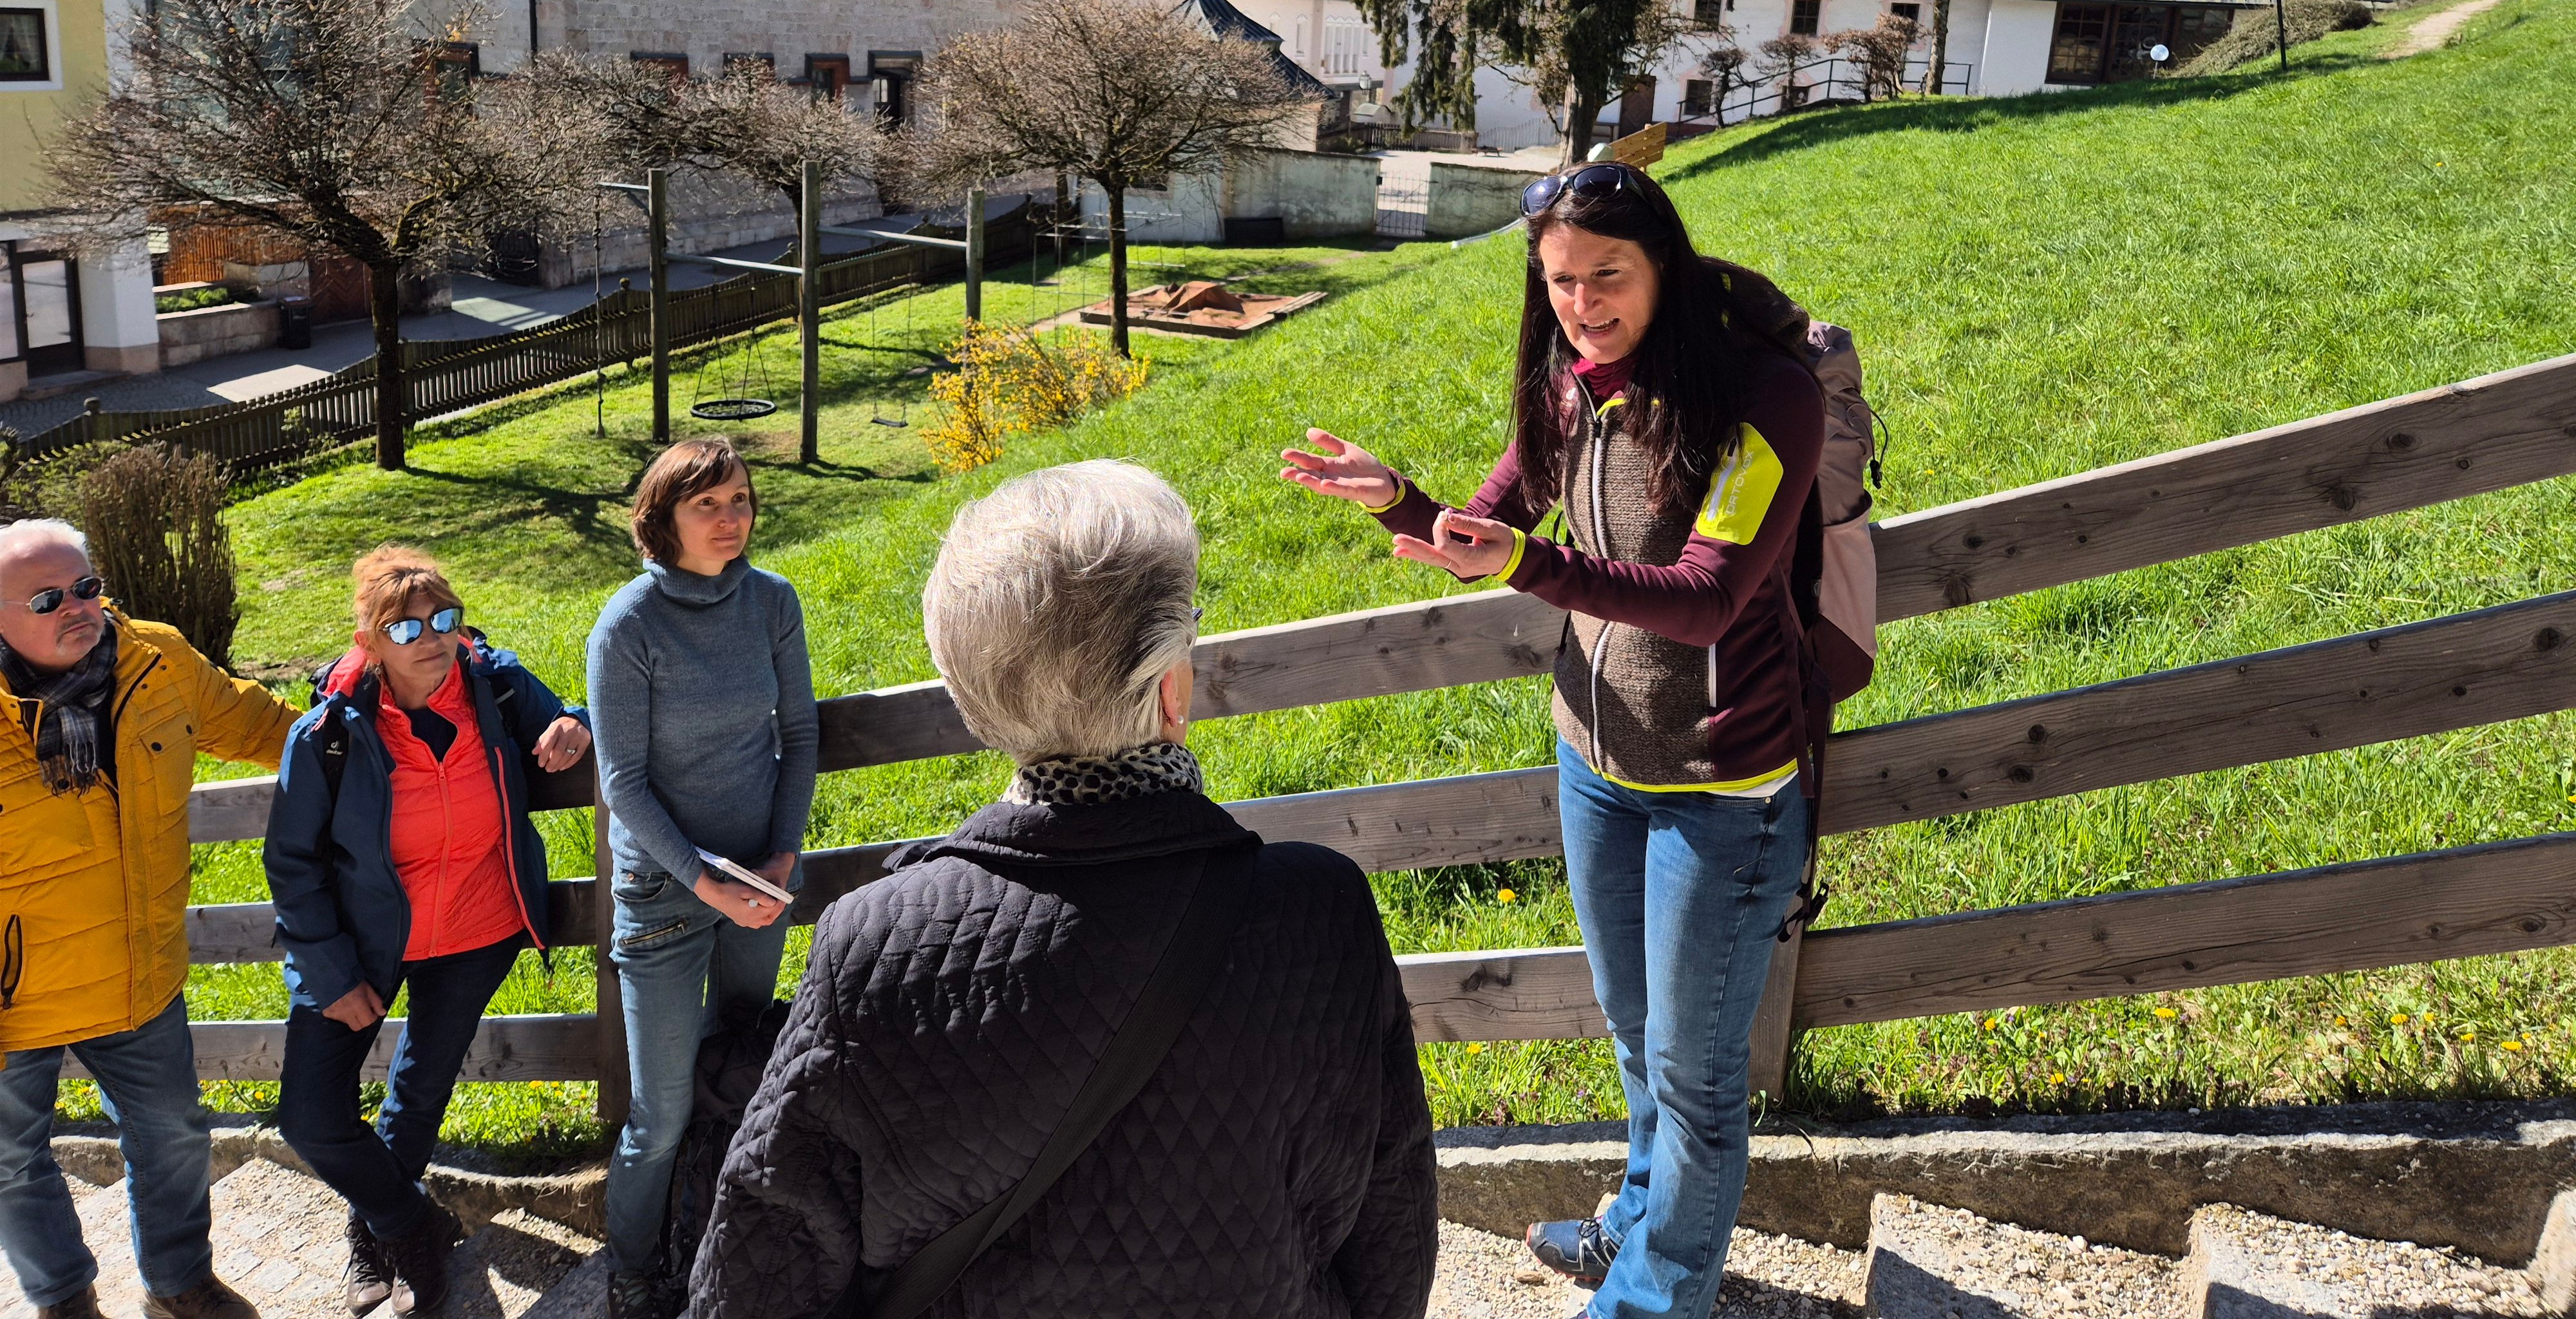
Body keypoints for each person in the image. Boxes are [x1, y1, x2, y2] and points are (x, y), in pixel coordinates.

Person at [690, 459, 1436, 1319]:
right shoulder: (1320, 909)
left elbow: (761, 1262)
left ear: (974, 697)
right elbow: (1390, 1230)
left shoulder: (873, 944)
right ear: (1172, 689)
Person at [1282, 161, 1826, 1319]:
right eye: (1561, 283)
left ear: (1664, 264)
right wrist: (1399, 502)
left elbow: (1708, 598)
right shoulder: (1574, 385)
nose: (1582, 305)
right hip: (1596, 764)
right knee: (1637, 1034)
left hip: (1723, 787)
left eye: (1606, 276)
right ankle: (1636, 1222)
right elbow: (1490, 526)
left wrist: (1528, 563)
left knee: (1694, 1073)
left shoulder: (1766, 396)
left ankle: (1651, 1300)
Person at [263, 548, 592, 1318]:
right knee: (310, 1118)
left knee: (417, 1096)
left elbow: (569, 718)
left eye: (444, 619)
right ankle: (413, 1224)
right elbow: (292, 864)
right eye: (406, 627)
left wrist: (575, 722)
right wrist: (331, 975)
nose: (432, 638)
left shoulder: (494, 686)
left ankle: (374, 1235)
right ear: (369, 642)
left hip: (478, 929)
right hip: (361, 946)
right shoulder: (328, 733)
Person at [0, 518, 302, 1319]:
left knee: (173, 1134)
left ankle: (179, 1282)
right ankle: (62, 1298)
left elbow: (266, 727)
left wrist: (389, 722)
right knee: (9, 1162)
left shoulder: (157, 661)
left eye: (86, 587)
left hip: (137, 970)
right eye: (46, 599)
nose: (76, 608)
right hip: (9, 999)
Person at [587, 437, 815, 1319]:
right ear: (663, 519)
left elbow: (797, 734)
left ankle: (724, 1244)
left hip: (760, 883)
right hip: (663, 897)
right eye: (708, 505)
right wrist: (702, 881)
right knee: (663, 1113)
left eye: (741, 500)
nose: (731, 519)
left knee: (745, 1071)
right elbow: (623, 785)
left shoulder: (772, 601)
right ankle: (632, 1272)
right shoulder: (628, 625)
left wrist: (782, 855)